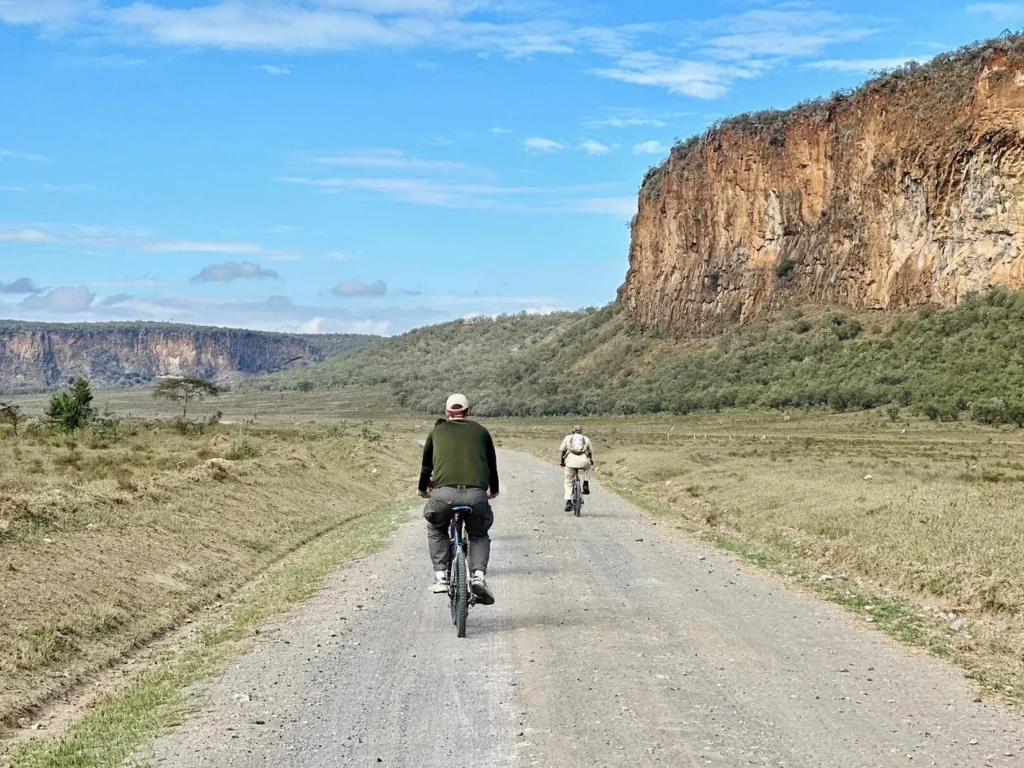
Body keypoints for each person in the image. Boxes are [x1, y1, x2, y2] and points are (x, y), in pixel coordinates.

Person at [418, 394, 499, 605]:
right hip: (476, 495)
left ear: (447, 413)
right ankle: (478, 577)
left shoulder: (437, 431)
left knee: (436, 528)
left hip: (442, 495)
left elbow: (427, 466)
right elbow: (491, 465)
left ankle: (442, 577)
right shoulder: (481, 431)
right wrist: (494, 490)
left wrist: (422, 490)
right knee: (479, 534)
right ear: (468, 412)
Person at [559, 424, 593, 512]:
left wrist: (562, 462)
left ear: (573, 431)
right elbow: (590, 452)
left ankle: (568, 502)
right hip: (583, 460)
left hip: (570, 461)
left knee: (568, 482)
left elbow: (563, 451)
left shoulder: (568, 438)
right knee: (588, 467)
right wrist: (591, 460)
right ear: (581, 432)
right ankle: (585, 483)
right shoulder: (586, 439)